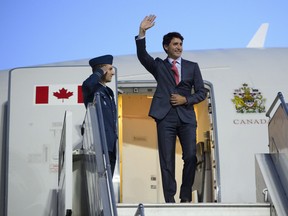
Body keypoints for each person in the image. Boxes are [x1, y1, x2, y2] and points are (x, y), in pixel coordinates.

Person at [135, 15, 207, 203]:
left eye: (181, 44)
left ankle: (185, 195)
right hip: (165, 117)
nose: (179, 47)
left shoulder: (192, 67)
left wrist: (186, 99)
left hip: (187, 118)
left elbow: (201, 93)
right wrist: (142, 32)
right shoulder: (159, 66)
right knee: (167, 160)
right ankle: (170, 199)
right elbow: (143, 56)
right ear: (166, 47)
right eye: (175, 44)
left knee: (191, 156)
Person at [82, 54, 117, 176]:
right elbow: (86, 84)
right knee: (99, 184)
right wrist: (100, 71)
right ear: (101, 70)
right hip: (99, 145)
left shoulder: (108, 92)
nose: (113, 73)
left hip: (110, 146)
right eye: (110, 69)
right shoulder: (92, 90)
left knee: (108, 183)